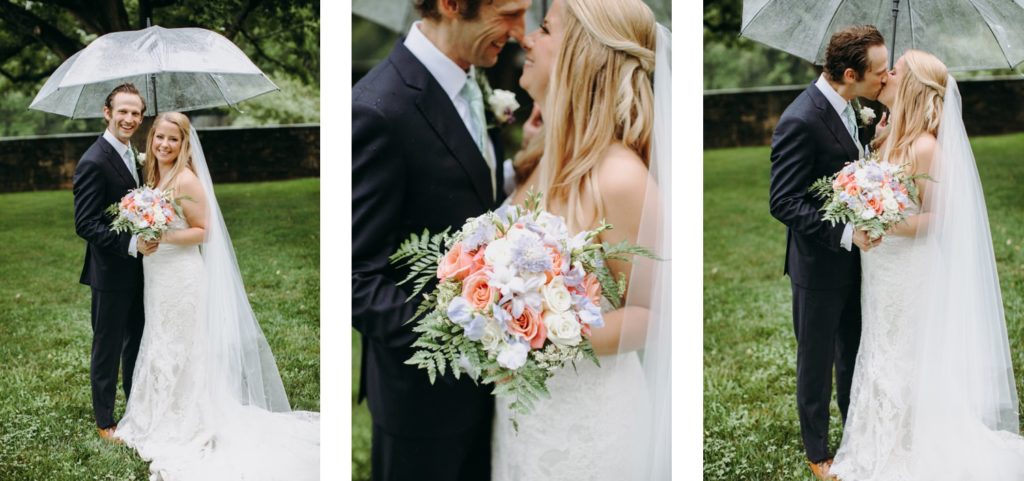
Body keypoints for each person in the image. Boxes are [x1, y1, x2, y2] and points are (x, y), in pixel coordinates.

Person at [351, 0, 530, 479]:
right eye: (511, 13)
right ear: (452, 5)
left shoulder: (470, 77)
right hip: (422, 401)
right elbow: (355, 278)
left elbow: (456, 189)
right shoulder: (377, 109)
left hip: (487, 389)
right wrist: (465, 340)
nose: (521, 32)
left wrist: (514, 173)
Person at [492, 0, 671, 479]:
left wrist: (542, 330)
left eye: (546, 29)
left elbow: (653, 314)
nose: (527, 38)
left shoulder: (620, 179)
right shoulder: (544, 156)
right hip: (526, 418)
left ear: (583, 52)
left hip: (587, 434)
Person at [830, 49, 1024, 480]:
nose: (887, 75)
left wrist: (881, 219)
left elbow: (938, 219)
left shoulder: (925, 147)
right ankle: (879, 439)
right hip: (882, 270)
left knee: (908, 355)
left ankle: (913, 446)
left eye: (895, 70)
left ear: (913, 85)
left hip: (911, 272)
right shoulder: (890, 136)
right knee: (882, 348)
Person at [113, 112, 319, 481]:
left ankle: (186, 418)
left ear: (184, 144)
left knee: (181, 345)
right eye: (159, 137)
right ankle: (157, 411)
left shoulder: (186, 179)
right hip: (158, 274)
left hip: (181, 276)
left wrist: (162, 237)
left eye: (172, 139)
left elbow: (204, 231)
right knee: (161, 339)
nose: (164, 144)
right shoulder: (155, 177)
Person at [768, 25, 889, 480]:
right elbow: (783, 201)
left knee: (853, 352)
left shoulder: (853, 108)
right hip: (819, 265)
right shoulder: (800, 118)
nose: (885, 78)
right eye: (878, 72)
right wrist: (845, 235)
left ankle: (855, 430)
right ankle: (818, 453)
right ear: (850, 73)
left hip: (859, 264)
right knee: (816, 362)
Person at [72, 83, 158, 440]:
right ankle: (105, 421)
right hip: (110, 272)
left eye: (136, 113)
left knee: (136, 340)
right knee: (107, 347)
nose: (130, 118)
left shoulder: (131, 153)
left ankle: (136, 405)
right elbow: (86, 224)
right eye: (122, 111)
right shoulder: (93, 161)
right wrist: (131, 244)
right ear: (107, 112)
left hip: (140, 270)